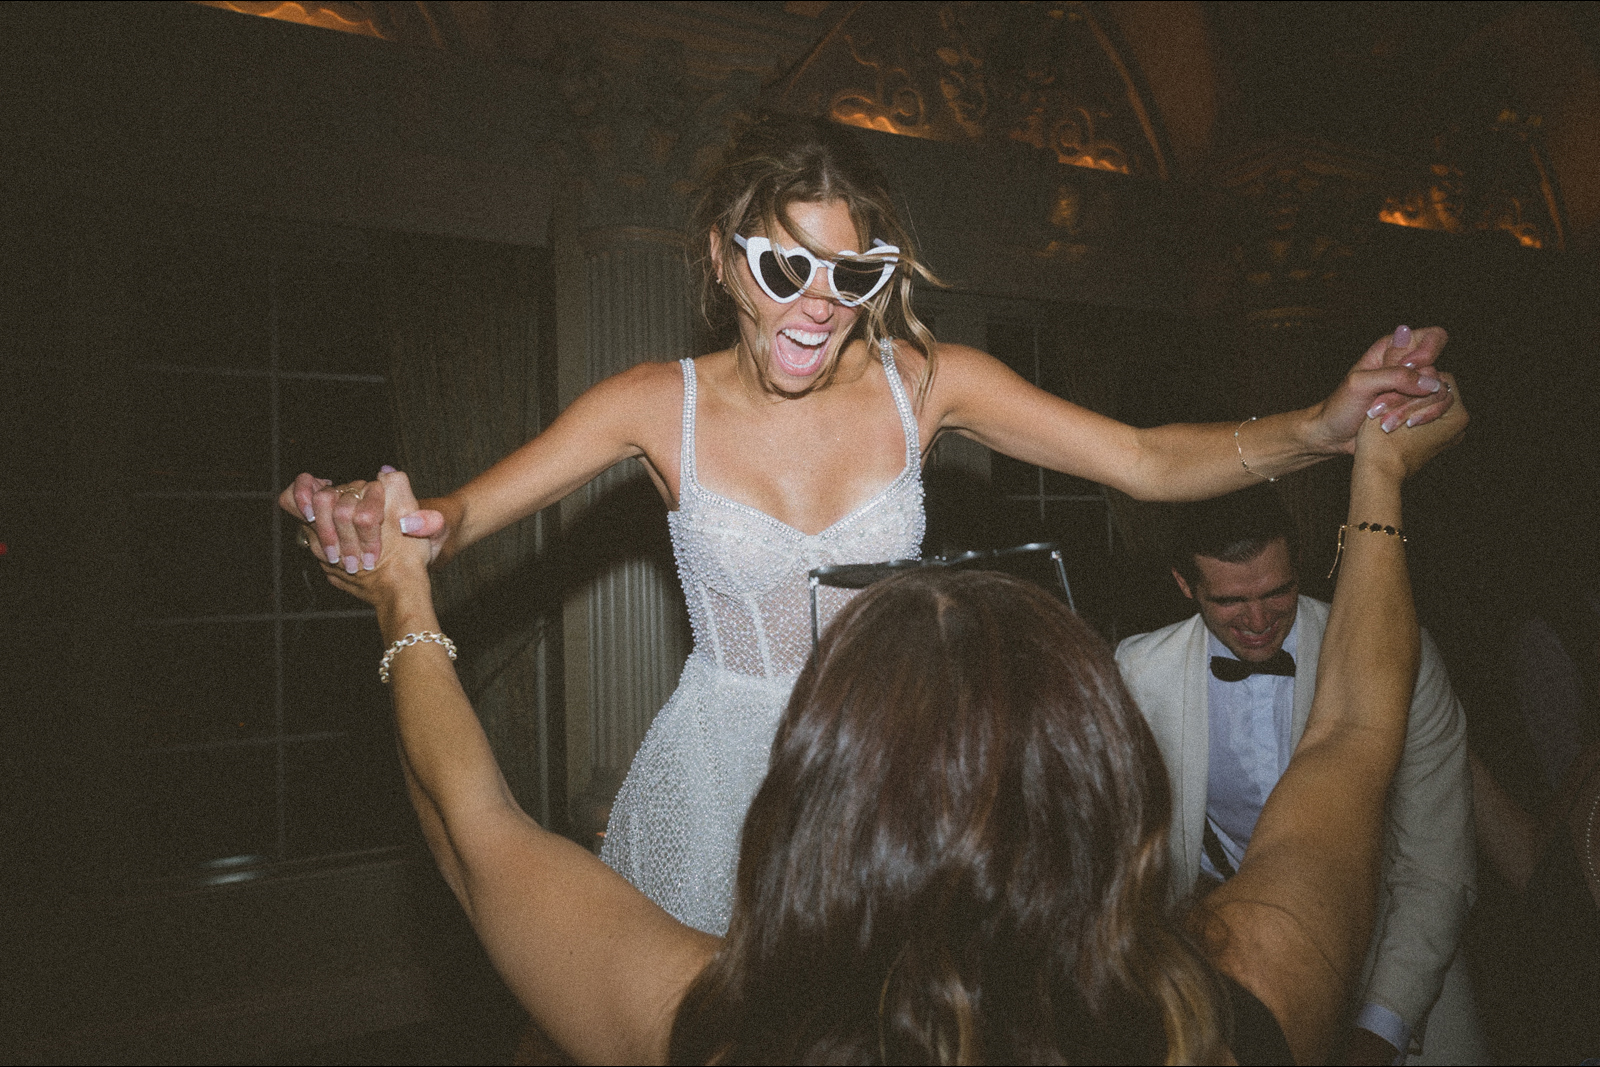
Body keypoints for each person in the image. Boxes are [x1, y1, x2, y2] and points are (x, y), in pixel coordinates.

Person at [281, 114, 1454, 935]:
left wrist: (1322, 425)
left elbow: (1144, 461)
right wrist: (382, 523)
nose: (815, 305)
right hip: (722, 773)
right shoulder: (650, 403)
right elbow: (453, 517)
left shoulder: (924, 382)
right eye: (784, 264)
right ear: (722, 258)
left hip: (891, 753)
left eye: (848, 275)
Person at [317, 374, 1466, 1064]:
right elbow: (1354, 734)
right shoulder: (1232, 1007)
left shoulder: (720, 1033)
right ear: (1106, 788)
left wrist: (400, 598)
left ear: (819, 806)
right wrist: (1377, 473)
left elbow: (477, 829)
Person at [1114, 485, 1480, 1064]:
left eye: (1277, 592)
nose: (1259, 620)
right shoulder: (1136, 675)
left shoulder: (1396, 653)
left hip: (1388, 944)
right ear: (1185, 585)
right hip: (1214, 956)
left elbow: (1435, 865)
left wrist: (1381, 1026)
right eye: (1231, 600)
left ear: (1300, 565)